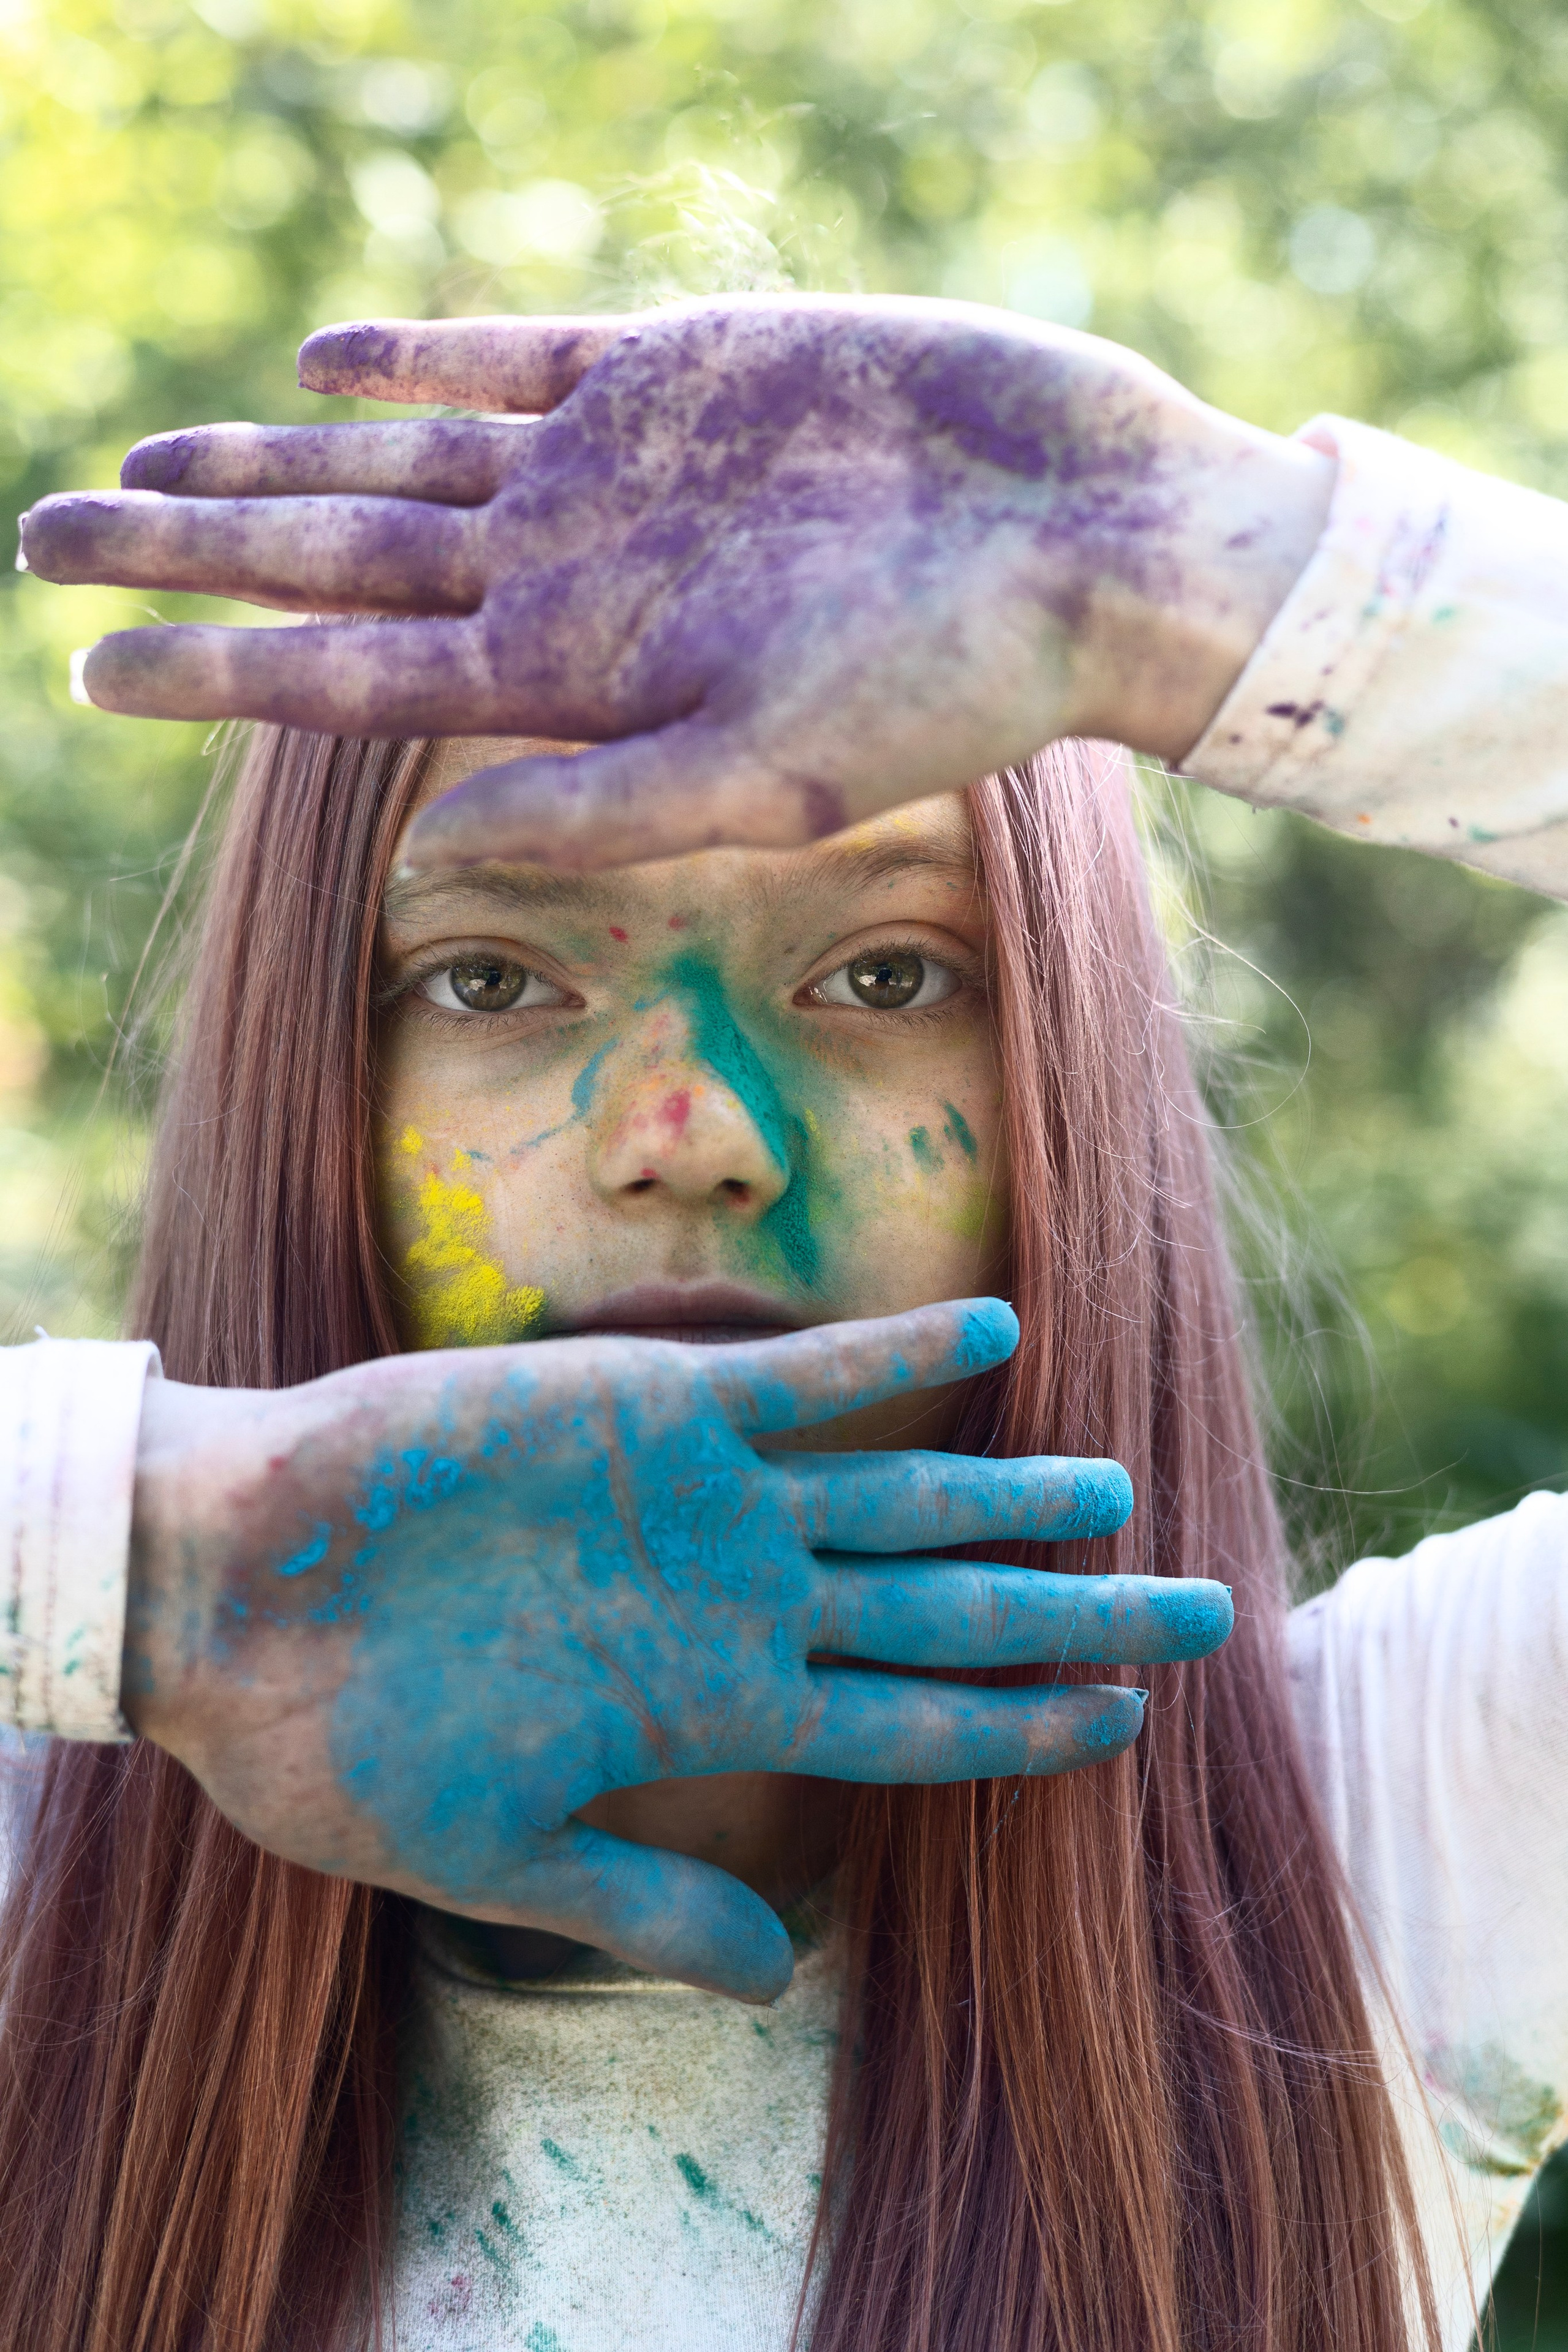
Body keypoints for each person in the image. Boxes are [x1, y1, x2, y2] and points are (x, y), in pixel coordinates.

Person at [9, 295, 1568, 2352]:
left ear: (1062, 1094)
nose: (695, 1135)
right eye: (490, 982)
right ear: (316, 1085)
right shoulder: (43, 1855)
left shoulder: (1397, 1840)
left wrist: (1202, 578)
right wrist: (140, 1551)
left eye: (886, 975)